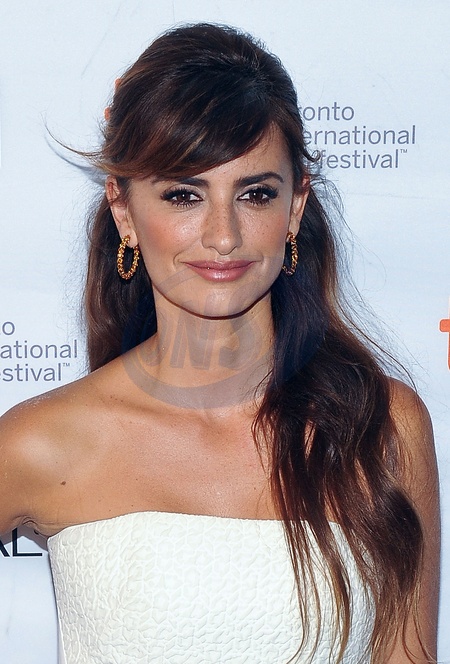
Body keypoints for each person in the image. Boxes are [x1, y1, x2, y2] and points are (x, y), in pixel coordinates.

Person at [0, 22, 439, 664]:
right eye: (184, 195)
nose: (224, 235)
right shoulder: (40, 443)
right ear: (123, 210)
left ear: (295, 208)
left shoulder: (382, 426)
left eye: (255, 194)